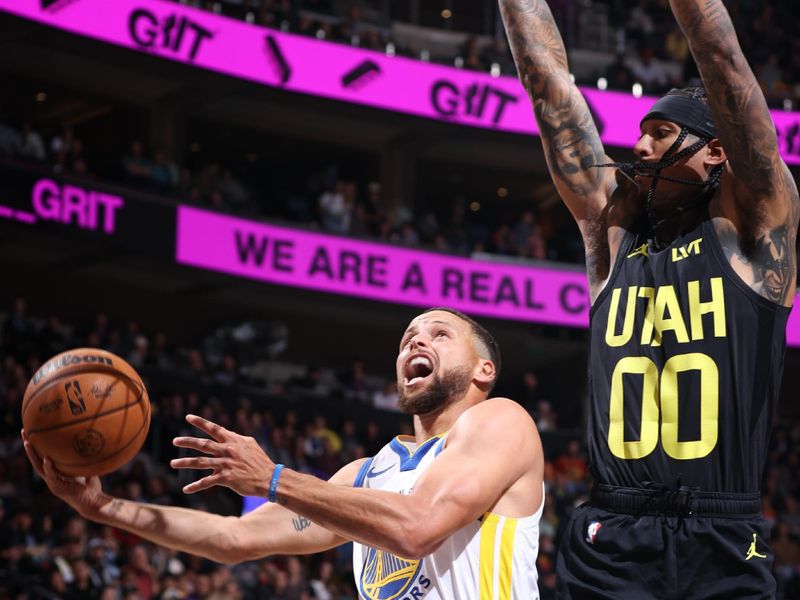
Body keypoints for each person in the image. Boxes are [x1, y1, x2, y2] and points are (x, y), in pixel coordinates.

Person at [499, 0, 798, 597]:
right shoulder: (611, 230)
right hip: (613, 529)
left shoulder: (756, 230)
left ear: (716, 149)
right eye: (639, 133)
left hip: (723, 530)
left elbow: (723, 59)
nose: (639, 146)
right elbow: (547, 84)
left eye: (660, 133)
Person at [23, 307, 545, 599]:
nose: (415, 342)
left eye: (439, 333)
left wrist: (273, 479)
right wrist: (102, 509)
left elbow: (417, 528)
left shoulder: (501, 421)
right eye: (408, 336)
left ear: (484, 371)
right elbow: (233, 538)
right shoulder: (367, 476)